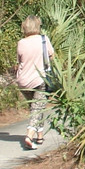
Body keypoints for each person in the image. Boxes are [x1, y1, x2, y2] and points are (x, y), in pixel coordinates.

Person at [16, 15, 54, 150]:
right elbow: (51, 56)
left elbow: (20, 61)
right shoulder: (44, 40)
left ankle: (40, 135)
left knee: (36, 107)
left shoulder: (21, 43)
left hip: (23, 81)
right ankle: (29, 136)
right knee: (37, 108)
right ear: (38, 26)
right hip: (39, 79)